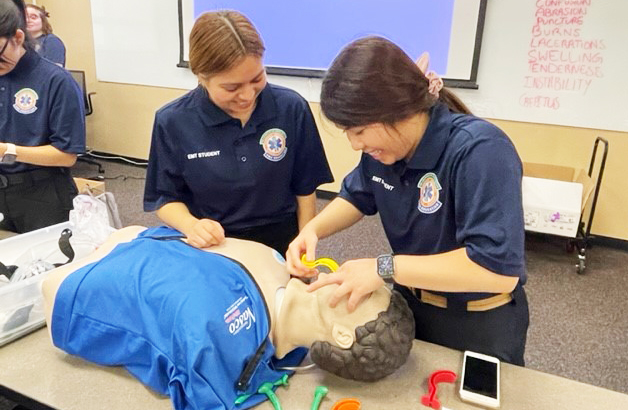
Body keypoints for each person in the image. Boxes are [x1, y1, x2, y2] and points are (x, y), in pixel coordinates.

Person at [286, 36, 529, 366]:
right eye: (347, 131)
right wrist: (312, 231)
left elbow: (495, 270)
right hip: (408, 306)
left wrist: (383, 267)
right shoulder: (385, 151)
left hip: (477, 321)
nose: (355, 144)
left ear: (395, 111)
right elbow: (358, 196)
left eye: (358, 130)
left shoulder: (481, 151)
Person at [41, 226, 415, 410]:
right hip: (131, 237)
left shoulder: (220, 344)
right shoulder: (276, 262)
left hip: (73, 283)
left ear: (343, 336)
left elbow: (57, 290)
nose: (353, 276)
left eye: (364, 291)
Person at [144, 10, 333, 255]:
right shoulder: (172, 121)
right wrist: (192, 226)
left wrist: (304, 245)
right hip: (213, 243)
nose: (247, 95)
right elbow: (164, 196)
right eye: (231, 87)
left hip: (281, 238)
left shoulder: (291, 108)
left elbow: (305, 188)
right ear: (201, 77)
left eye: (257, 78)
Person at [0, 0, 85, 234]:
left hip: (42, 194)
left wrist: (7, 150)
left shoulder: (56, 81)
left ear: (18, 38)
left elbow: (66, 155)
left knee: (51, 265)